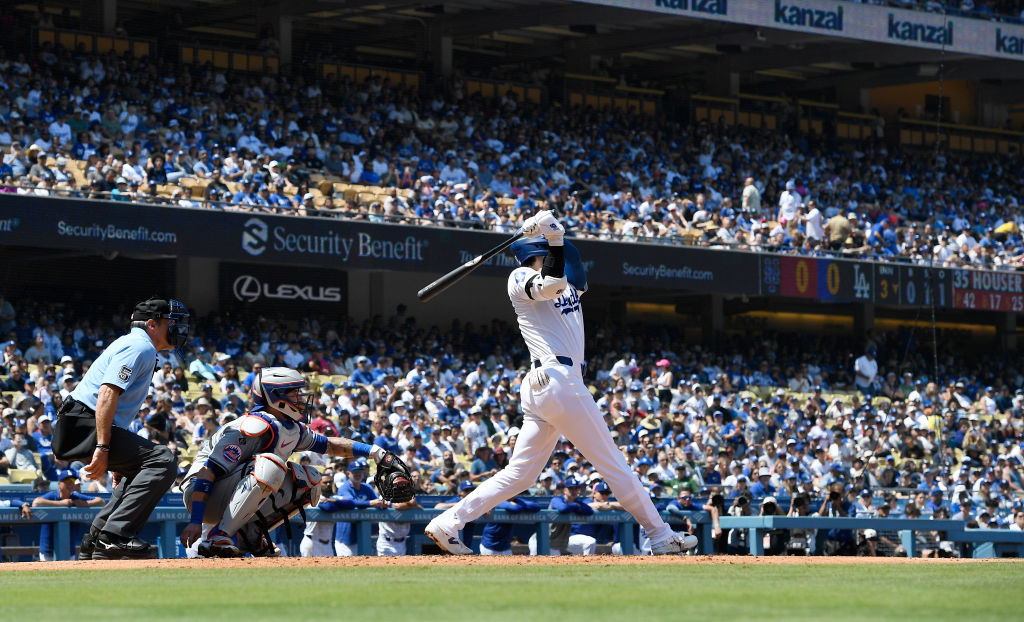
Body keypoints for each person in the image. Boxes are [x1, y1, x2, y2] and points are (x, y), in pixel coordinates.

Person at [425, 210, 696, 555]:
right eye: (549, 249)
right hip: (557, 379)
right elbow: (551, 282)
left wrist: (558, 235)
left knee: (521, 474)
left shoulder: (567, 283)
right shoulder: (520, 275)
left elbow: (575, 269)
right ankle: (659, 535)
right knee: (612, 462)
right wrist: (551, 239)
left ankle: (449, 522)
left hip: (548, 384)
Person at [179, 367, 406, 558]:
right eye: (294, 392)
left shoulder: (289, 427)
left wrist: (375, 452)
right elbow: (208, 472)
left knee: (310, 480)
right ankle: (220, 535)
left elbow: (330, 445)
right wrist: (196, 520)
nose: (300, 398)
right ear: (275, 395)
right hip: (201, 494)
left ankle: (252, 533)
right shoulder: (251, 426)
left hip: (227, 491)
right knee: (271, 464)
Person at [52, 298, 190, 560]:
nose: (178, 328)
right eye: (171, 322)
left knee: (140, 468)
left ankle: (97, 540)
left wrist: (118, 461)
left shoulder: (138, 345)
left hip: (82, 422)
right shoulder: (140, 346)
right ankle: (114, 536)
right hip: (83, 423)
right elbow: (106, 394)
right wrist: (104, 448)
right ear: (152, 324)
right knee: (164, 461)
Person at [31, 469, 103, 560]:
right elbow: (36, 503)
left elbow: (101, 501)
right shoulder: (53, 495)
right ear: (59, 484)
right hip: (47, 547)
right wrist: (61, 503)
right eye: (67, 481)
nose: (70, 484)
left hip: (69, 548)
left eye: (72, 481)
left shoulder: (75, 496)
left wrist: (86, 504)